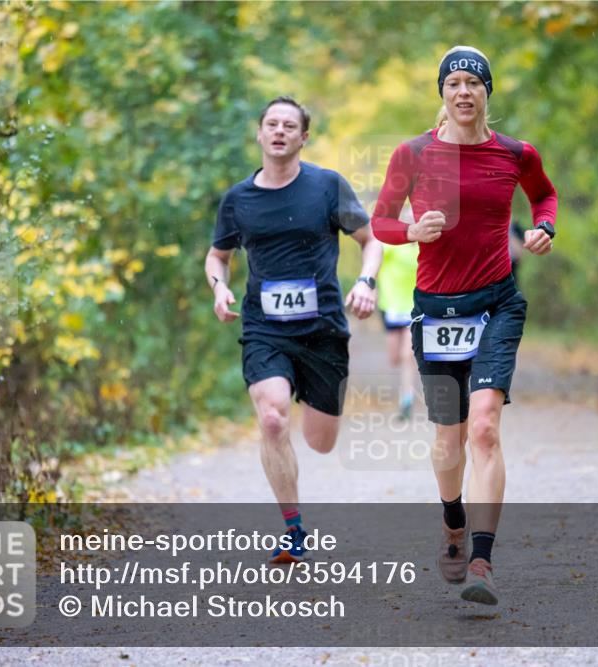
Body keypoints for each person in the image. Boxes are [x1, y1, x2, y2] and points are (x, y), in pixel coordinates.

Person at [371, 47, 558, 605]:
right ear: (442, 93)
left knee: (483, 428)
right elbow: (380, 220)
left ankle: (481, 561)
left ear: (486, 94)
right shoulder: (414, 154)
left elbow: (544, 194)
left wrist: (545, 226)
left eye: (473, 83)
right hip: (436, 309)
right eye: (453, 82)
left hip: (497, 304)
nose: (463, 91)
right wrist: (411, 234)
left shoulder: (515, 153)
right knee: (448, 439)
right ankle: (453, 519)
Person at [205, 96, 382, 564]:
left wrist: (366, 281)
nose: (279, 131)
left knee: (320, 442)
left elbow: (371, 242)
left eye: (289, 125)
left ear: (304, 137)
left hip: (323, 329)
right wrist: (219, 288)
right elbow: (217, 255)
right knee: (273, 416)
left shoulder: (327, 187)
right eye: (271, 124)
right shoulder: (238, 200)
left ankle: (314, 400)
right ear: (260, 134)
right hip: (265, 327)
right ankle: (293, 530)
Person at [378, 239, 419, 421]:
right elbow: (374, 261)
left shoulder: (423, 248)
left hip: (413, 307)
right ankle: (406, 394)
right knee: (394, 358)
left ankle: (407, 400)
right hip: (391, 307)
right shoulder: (391, 246)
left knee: (407, 355)